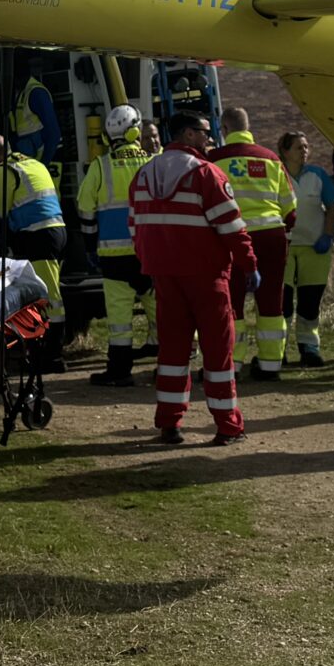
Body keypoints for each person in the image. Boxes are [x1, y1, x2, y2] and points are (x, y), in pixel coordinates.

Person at [129, 113, 256, 445]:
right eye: (204, 133)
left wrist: (152, 261)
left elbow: (135, 227)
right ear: (188, 134)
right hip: (206, 275)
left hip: (164, 276)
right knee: (218, 353)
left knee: (171, 353)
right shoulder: (206, 173)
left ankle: (169, 424)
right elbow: (230, 226)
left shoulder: (143, 175)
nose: (210, 138)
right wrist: (249, 263)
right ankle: (228, 426)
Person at [212, 106, 295, 379]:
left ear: (224, 130)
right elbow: (290, 209)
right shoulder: (270, 159)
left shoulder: (214, 160)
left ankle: (232, 364)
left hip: (232, 238)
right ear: (248, 129)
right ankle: (271, 364)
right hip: (272, 236)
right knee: (271, 301)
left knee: (231, 301)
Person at [78, 106, 156, 387]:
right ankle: (171, 364)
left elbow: (85, 210)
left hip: (113, 257)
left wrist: (90, 246)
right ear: (136, 131)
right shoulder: (153, 164)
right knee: (160, 309)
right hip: (151, 254)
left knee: (120, 319)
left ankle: (120, 371)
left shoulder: (101, 166)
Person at [0, 132, 66, 325]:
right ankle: (49, 336)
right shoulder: (34, 164)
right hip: (58, 231)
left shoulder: (4, 170)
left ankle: (53, 346)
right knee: (50, 287)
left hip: (38, 235)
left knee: (48, 292)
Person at [280, 132, 334, 367]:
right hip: (284, 246)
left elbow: (333, 206)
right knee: (282, 303)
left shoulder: (318, 175)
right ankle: (278, 349)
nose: (304, 151)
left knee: (310, 301)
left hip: (314, 247)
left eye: (306, 147)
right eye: (298, 147)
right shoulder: (277, 173)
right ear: (284, 152)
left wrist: (328, 235)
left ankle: (309, 347)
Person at [8, 61, 62, 168]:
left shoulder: (36, 93)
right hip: (31, 159)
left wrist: (44, 164)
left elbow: (53, 133)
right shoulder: (22, 93)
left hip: (44, 159)